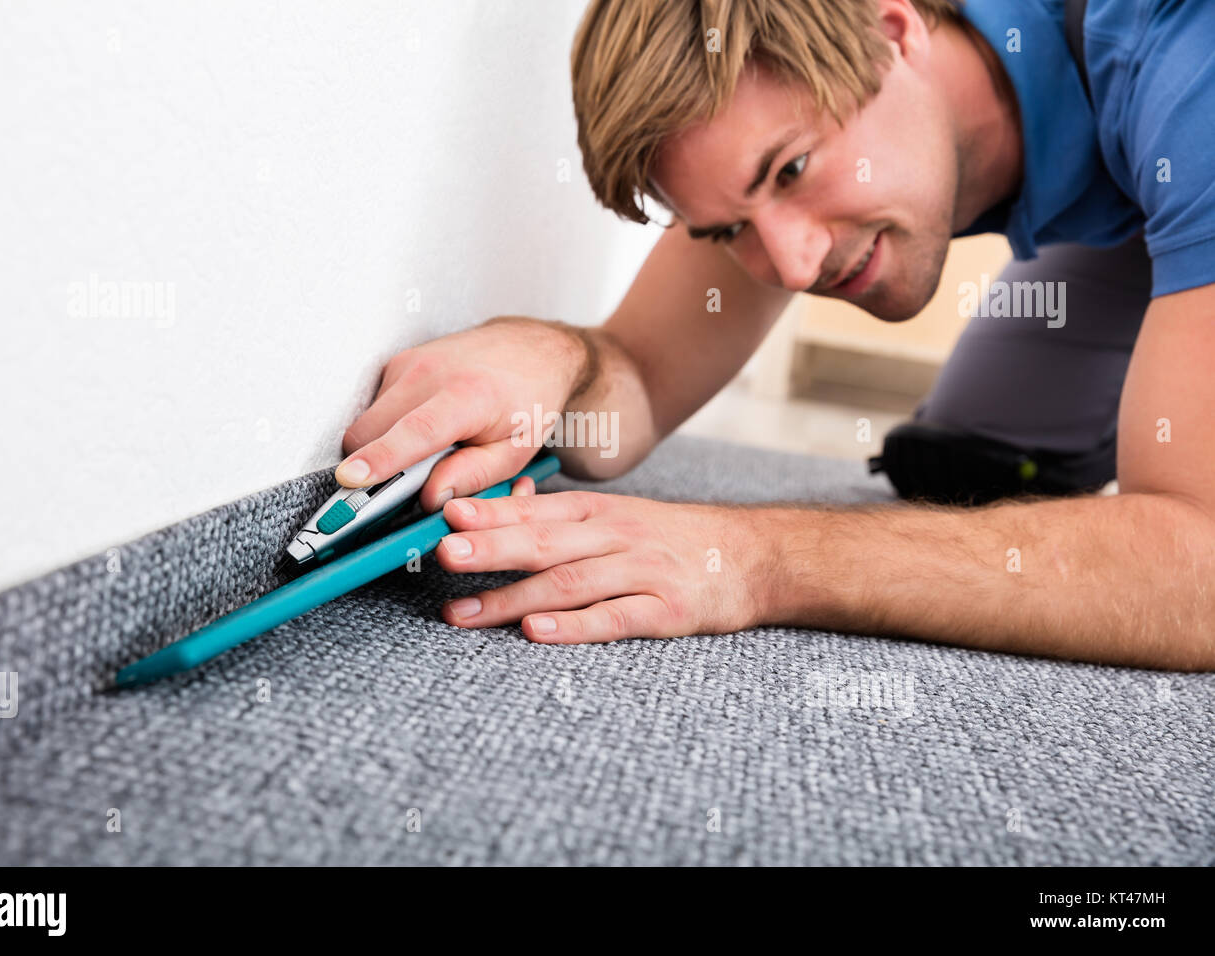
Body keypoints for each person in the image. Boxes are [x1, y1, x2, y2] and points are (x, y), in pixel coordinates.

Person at [334, 0, 1215, 670]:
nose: (793, 266)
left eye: (792, 169)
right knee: (964, 468)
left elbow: (1200, 566)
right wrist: (548, 357)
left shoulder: (1187, 65)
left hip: (1179, 140)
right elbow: (640, 371)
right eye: (729, 229)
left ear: (893, 31)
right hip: (1139, 183)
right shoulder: (778, 142)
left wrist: (760, 559)